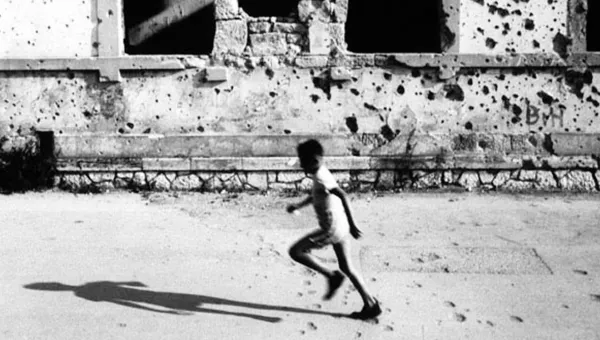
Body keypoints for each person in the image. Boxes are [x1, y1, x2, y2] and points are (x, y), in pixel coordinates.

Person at [286, 139, 382, 320]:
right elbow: (315, 195)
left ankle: (331, 276)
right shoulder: (320, 174)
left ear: (313, 160)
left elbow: (343, 195)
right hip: (341, 226)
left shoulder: (321, 177)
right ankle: (370, 304)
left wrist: (354, 225)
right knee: (347, 266)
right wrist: (298, 206)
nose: (300, 164)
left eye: (302, 160)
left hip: (331, 229)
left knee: (296, 251)